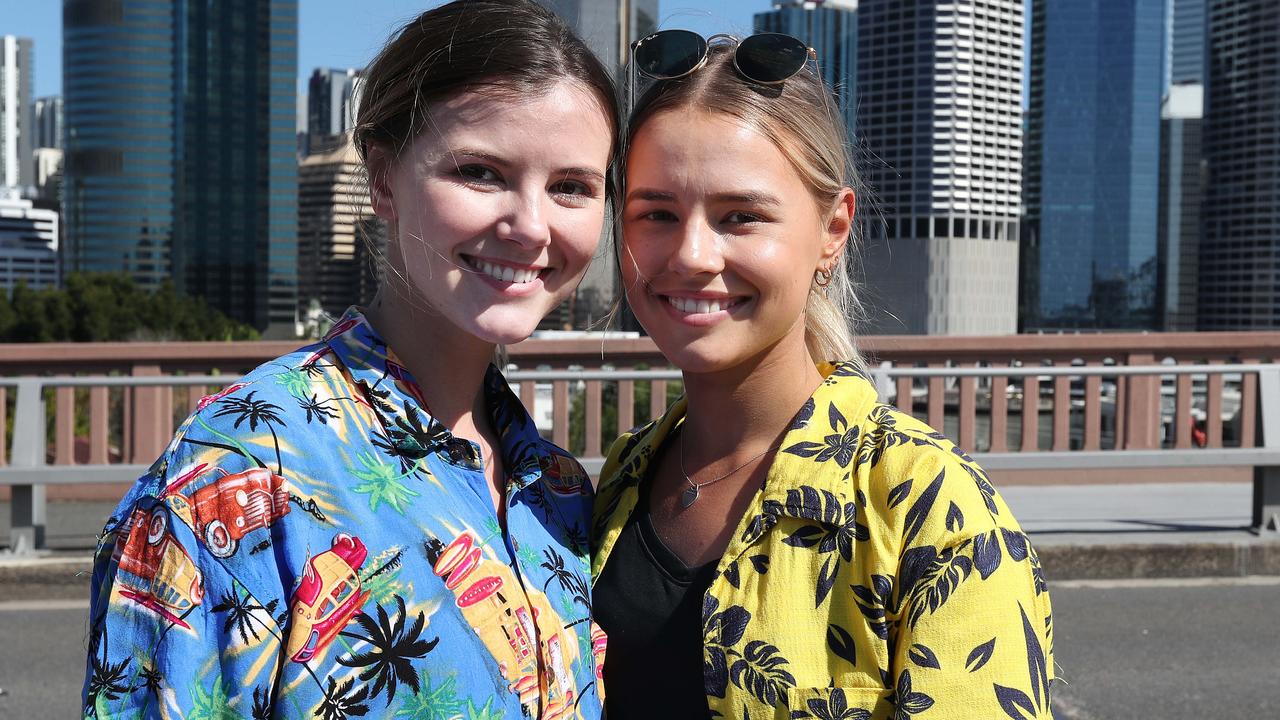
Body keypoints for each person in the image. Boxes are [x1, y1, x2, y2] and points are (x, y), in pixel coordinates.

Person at [82, 2, 616, 717]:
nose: (530, 225)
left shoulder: (557, 490)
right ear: (384, 178)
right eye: (482, 172)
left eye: (572, 187)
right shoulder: (237, 469)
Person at [592, 32, 1056, 719]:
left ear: (832, 230)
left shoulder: (931, 508)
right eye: (656, 213)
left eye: (740, 216)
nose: (692, 254)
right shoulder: (624, 475)